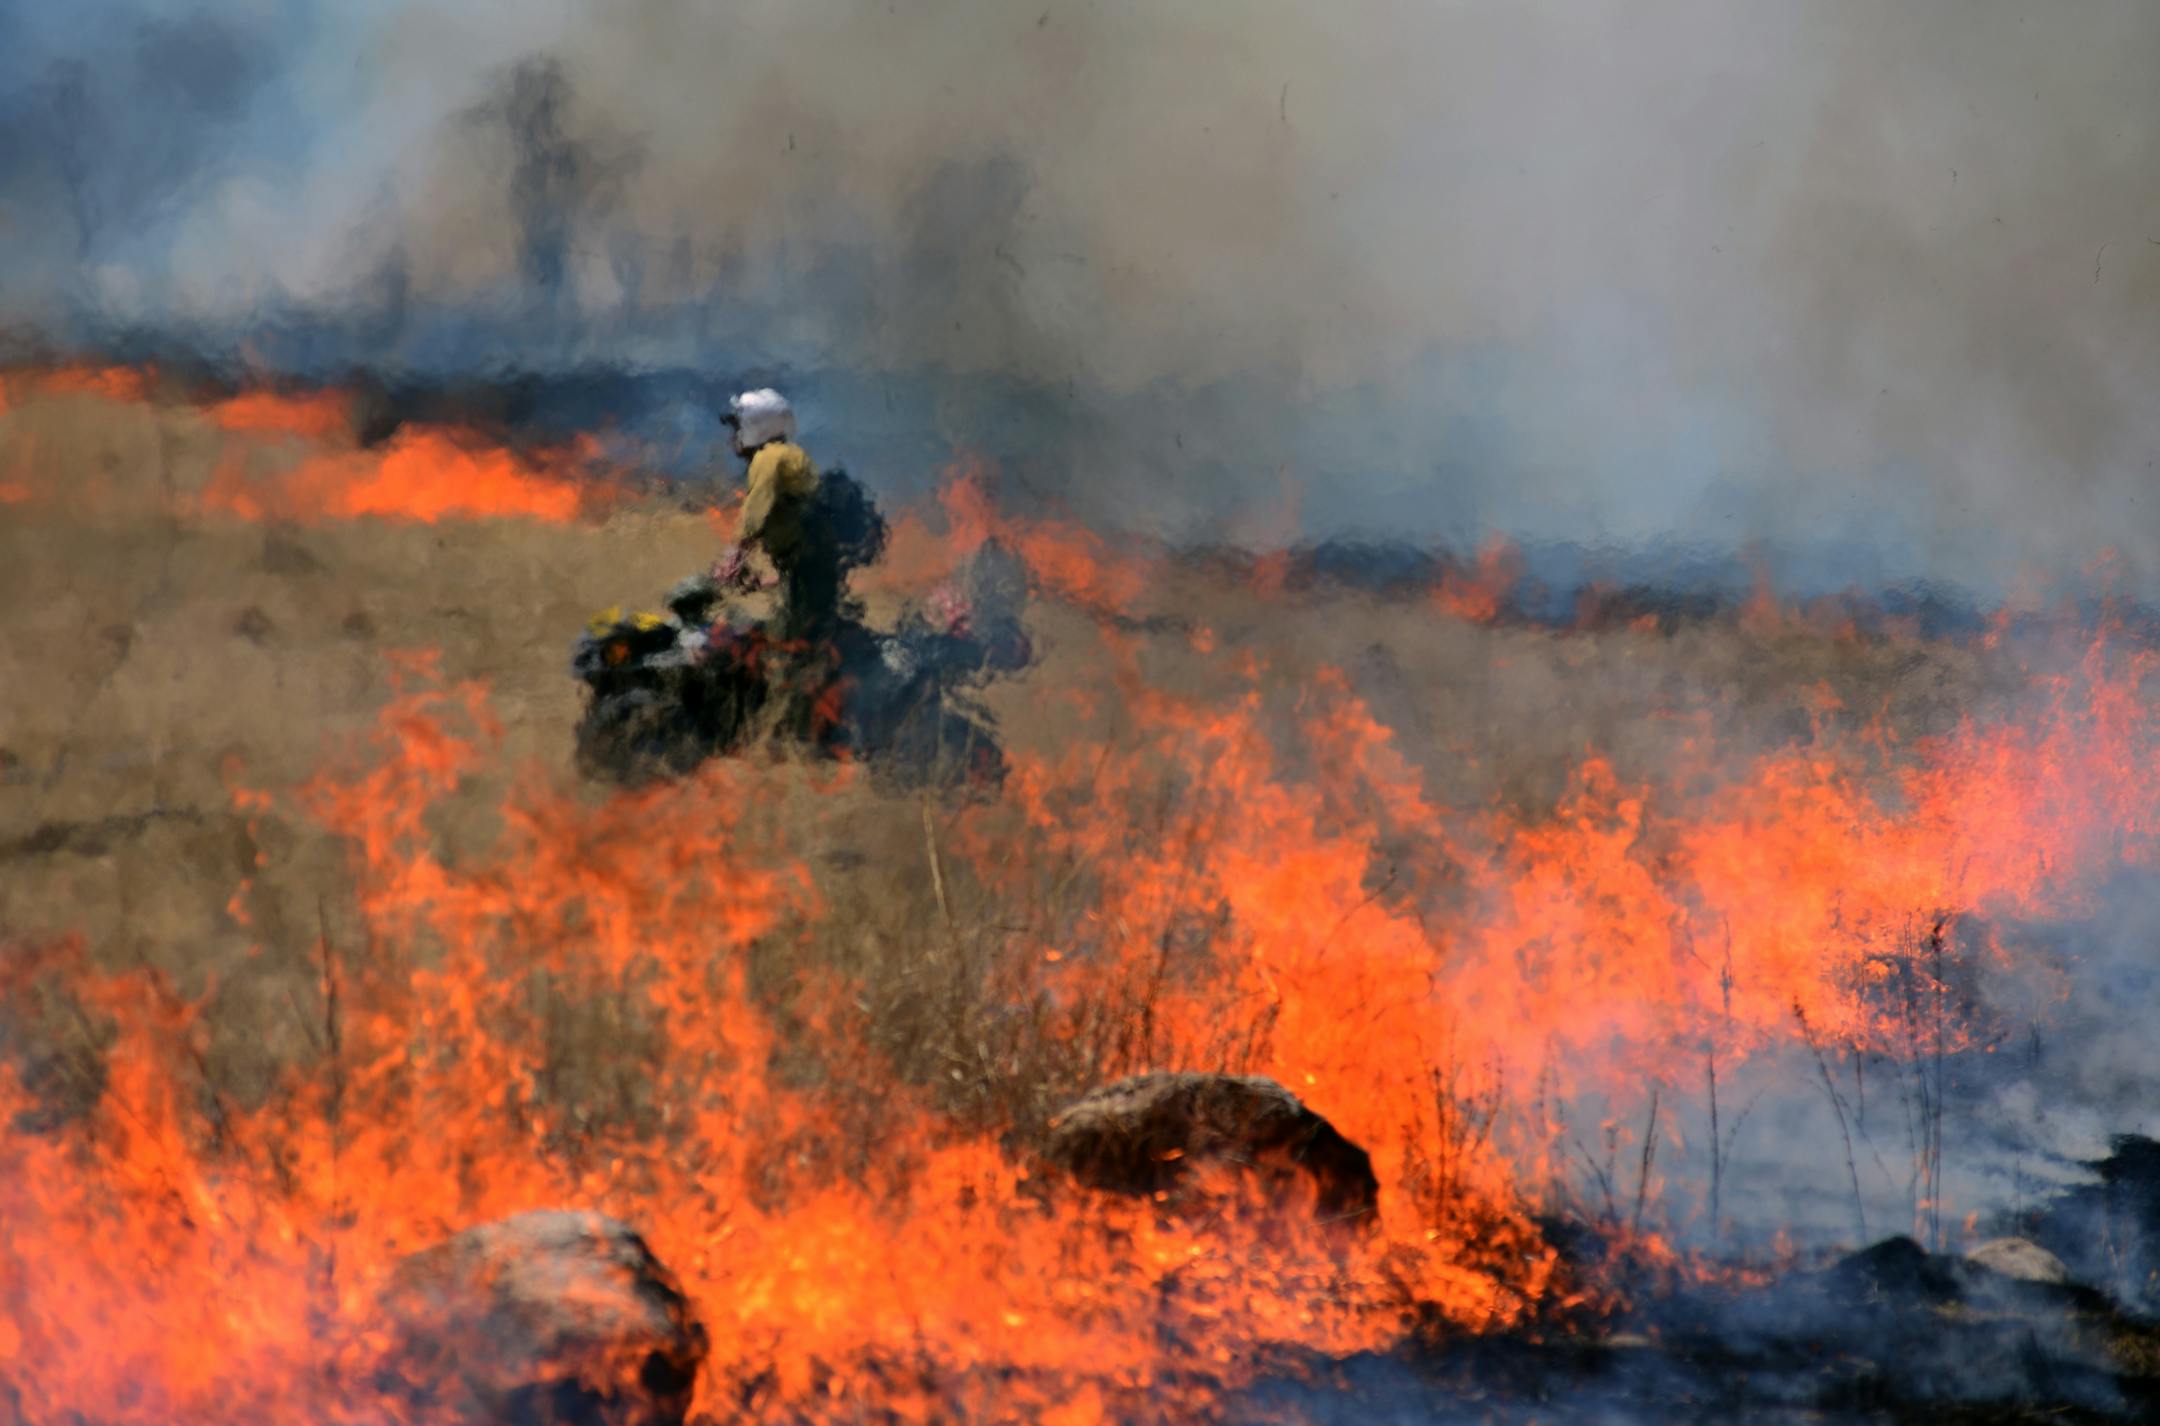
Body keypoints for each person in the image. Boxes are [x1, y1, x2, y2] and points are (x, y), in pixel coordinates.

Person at [716, 388, 842, 646]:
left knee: (791, 637)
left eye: (737, 428)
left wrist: (734, 558)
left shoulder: (769, 458)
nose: (733, 438)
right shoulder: (789, 455)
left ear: (756, 426)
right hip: (807, 563)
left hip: (807, 564)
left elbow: (756, 511)